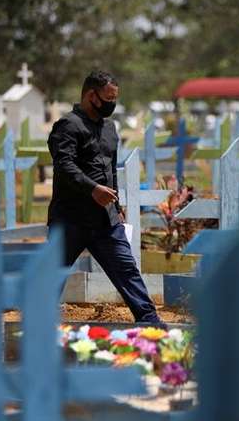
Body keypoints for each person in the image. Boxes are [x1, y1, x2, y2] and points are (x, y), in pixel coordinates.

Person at [47, 70, 166, 326]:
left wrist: (117, 206)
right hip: (70, 220)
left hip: (105, 220)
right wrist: (92, 189)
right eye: (108, 98)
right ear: (92, 95)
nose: (112, 104)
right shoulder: (68, 125)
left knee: (127, 271)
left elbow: (110, 170)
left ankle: (151, 325)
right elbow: (63, 165)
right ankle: (34, 333)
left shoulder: (110, 128)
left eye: (115, 99)